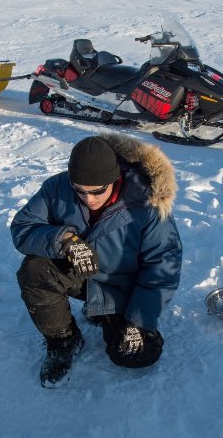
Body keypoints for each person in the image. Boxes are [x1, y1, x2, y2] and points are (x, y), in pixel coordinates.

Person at [10, 134, 182, 387]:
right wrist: (64, 240)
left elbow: (163, 268)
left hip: (120, 287)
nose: (88, 199)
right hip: (79, 273)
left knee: (137, 355)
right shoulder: (56, 188)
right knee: (35, 270)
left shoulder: (147, 204)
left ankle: (111, 316)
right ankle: (64, 341)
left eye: (97, 191)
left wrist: (138, 321)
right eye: (79, 191)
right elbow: (23, 229)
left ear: (116, 179)